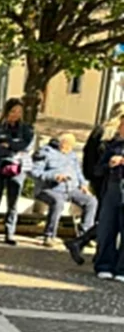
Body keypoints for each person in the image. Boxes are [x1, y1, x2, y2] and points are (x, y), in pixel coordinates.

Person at [67, 104, 124, 263]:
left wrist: (89, 175)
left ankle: (86, 245)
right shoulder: (110, 134)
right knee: (110, 218)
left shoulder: (100, 130)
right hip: (109, 177)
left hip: (99, 176)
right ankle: (86, 245)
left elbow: (88, 153)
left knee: (106, 217)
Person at [0, 98, 34, 245]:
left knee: (13, 201)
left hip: (17, 167)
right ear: (6, 112)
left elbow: (26, 146)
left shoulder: (26, 129)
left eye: (19, 112)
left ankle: (9, 233)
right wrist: (12, 146)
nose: (16, 114)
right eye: (13, 111)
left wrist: (8, 143)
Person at [32, 133, 97, 247]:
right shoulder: (45, 153)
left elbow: (78, 172)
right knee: (58, 202)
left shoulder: (72, 155)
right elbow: (34, 172)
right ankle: (49, 235)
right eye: (67, 146)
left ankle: (85, 236)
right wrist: (54, 176)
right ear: (61, 143)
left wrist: (83, 185)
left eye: (71, 146)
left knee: (91, 201)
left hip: (71, 189)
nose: (69, 149)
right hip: (49, 189)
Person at [93, 115, 124, 281]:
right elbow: (97, 169)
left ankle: (122, 269)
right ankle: (104, 265)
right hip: (113, 187)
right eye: (121, 126)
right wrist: (109, 164)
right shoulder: (113, 146)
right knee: (107, 227)